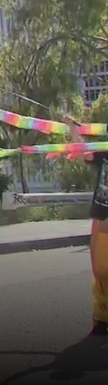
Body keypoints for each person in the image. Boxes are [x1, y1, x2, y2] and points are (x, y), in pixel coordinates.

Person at [63, 117, 108, 336]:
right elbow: (83, 152)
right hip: (101, 212)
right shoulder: (104, 149)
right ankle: (102, 318)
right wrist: (74, 130)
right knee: (100, 271)